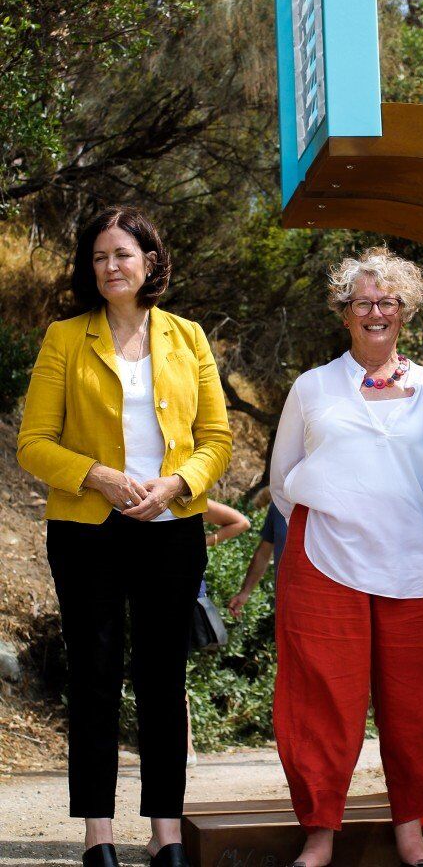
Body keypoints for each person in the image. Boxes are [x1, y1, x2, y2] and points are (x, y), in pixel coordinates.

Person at [17, 207, 232, 867]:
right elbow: (33, 445)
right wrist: (101, 478)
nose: (111, 265)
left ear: (150, 263)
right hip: (88, 532)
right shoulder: (65, 338)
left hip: (172, 530)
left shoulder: (188, 337)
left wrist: (177, 486)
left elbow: (217, 440)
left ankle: (166, 831)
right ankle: (98, 835)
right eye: (101, 256)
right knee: (96, 675)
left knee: (163, 678)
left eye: (124, 254)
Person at [270, 246, 423, 867]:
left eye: (387, 301)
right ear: (344, 313)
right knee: (319, 701)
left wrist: (405, 530)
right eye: (362, 302)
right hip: (324, 560)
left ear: (405, 311)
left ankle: (411, 831)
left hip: (411, 564)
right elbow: (283, 480)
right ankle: (320, 835)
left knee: (420, 703)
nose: (374, 311)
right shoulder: (312, 387)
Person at [186, 499, 251, 765]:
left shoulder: (188, 497)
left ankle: (185, 747)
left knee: (170, 673)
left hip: (185, 594)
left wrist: (204, 541)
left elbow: (241, 522)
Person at [228, 499, 287, 617]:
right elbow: (264, 553)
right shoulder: (280, 504)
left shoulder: (330, 503)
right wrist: (245, 592)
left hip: (326, 601)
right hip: (286, 602)